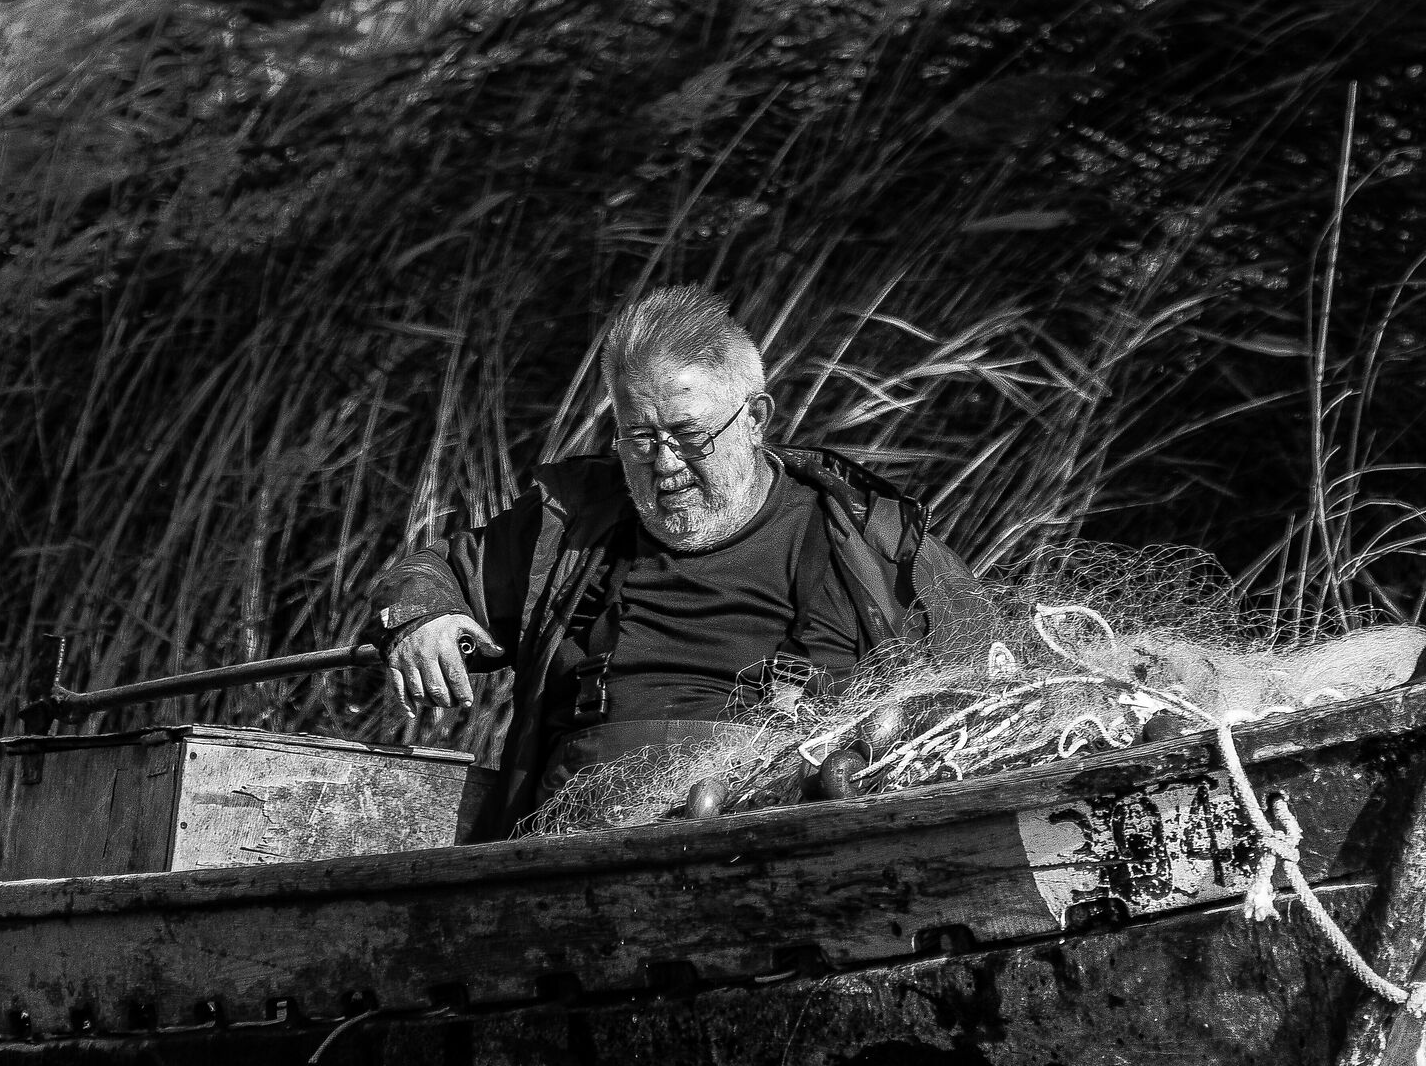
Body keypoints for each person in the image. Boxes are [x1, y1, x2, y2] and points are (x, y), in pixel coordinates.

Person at [366, 285, 978, 839]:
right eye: (639, 436)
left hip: (787, 841)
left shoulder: (870, 536)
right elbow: (432, 571)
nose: (664, 464)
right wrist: (423, 619)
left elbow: (999, 672)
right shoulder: (571, 523)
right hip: (571, 844)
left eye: (689, 435)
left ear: (756, 419)